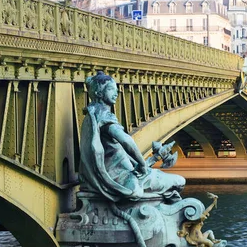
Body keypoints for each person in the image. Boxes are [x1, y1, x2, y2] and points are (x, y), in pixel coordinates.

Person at [79, 72, 185, 202]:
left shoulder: (93, 114)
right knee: (179, 181)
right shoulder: (104, 116)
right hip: (120, 177)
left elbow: (118, 151)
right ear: (98, 93)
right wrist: (142, 164)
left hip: (121, 172)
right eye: (111, 89)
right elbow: (126, 140)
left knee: (171, 183)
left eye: (117, 90)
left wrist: (149, 161)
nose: (116, 93)